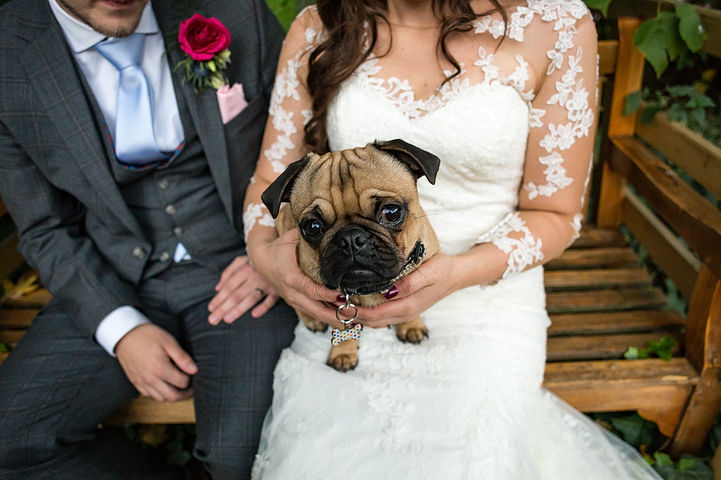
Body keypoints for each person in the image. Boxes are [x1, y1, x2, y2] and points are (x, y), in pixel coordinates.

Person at [242, 0, 664, 478]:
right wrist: (266, 258)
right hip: (340, 298)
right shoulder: (322, 24)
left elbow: (556, 213)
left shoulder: (557, 23)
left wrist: (458, 273)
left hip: (486, 290)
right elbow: (269, 186)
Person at [0, 0, 298, 478]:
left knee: (242, 457)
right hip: (110, 274)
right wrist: (121, 329)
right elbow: (44, 226)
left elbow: (307, 140)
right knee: (10, 442)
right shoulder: (9, 55)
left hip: (242, 269)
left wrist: (278, 247)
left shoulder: (233, 11)